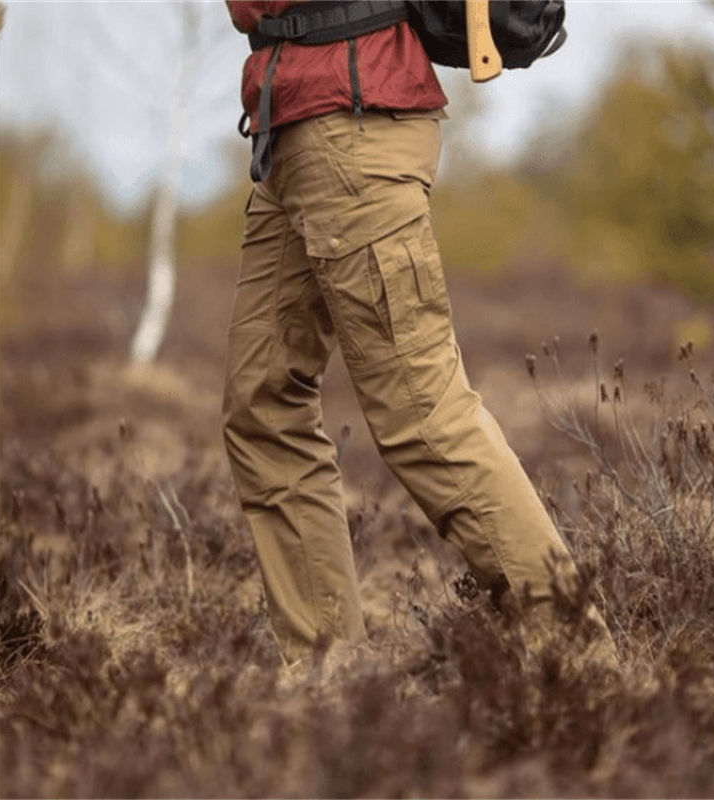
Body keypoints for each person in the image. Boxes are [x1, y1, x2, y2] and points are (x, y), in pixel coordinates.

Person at [223, 0, 616, 669]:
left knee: (422, 412)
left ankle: (580, 663)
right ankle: (327, 672)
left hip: (350, 124)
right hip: (289, 120)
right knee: (262, 407)